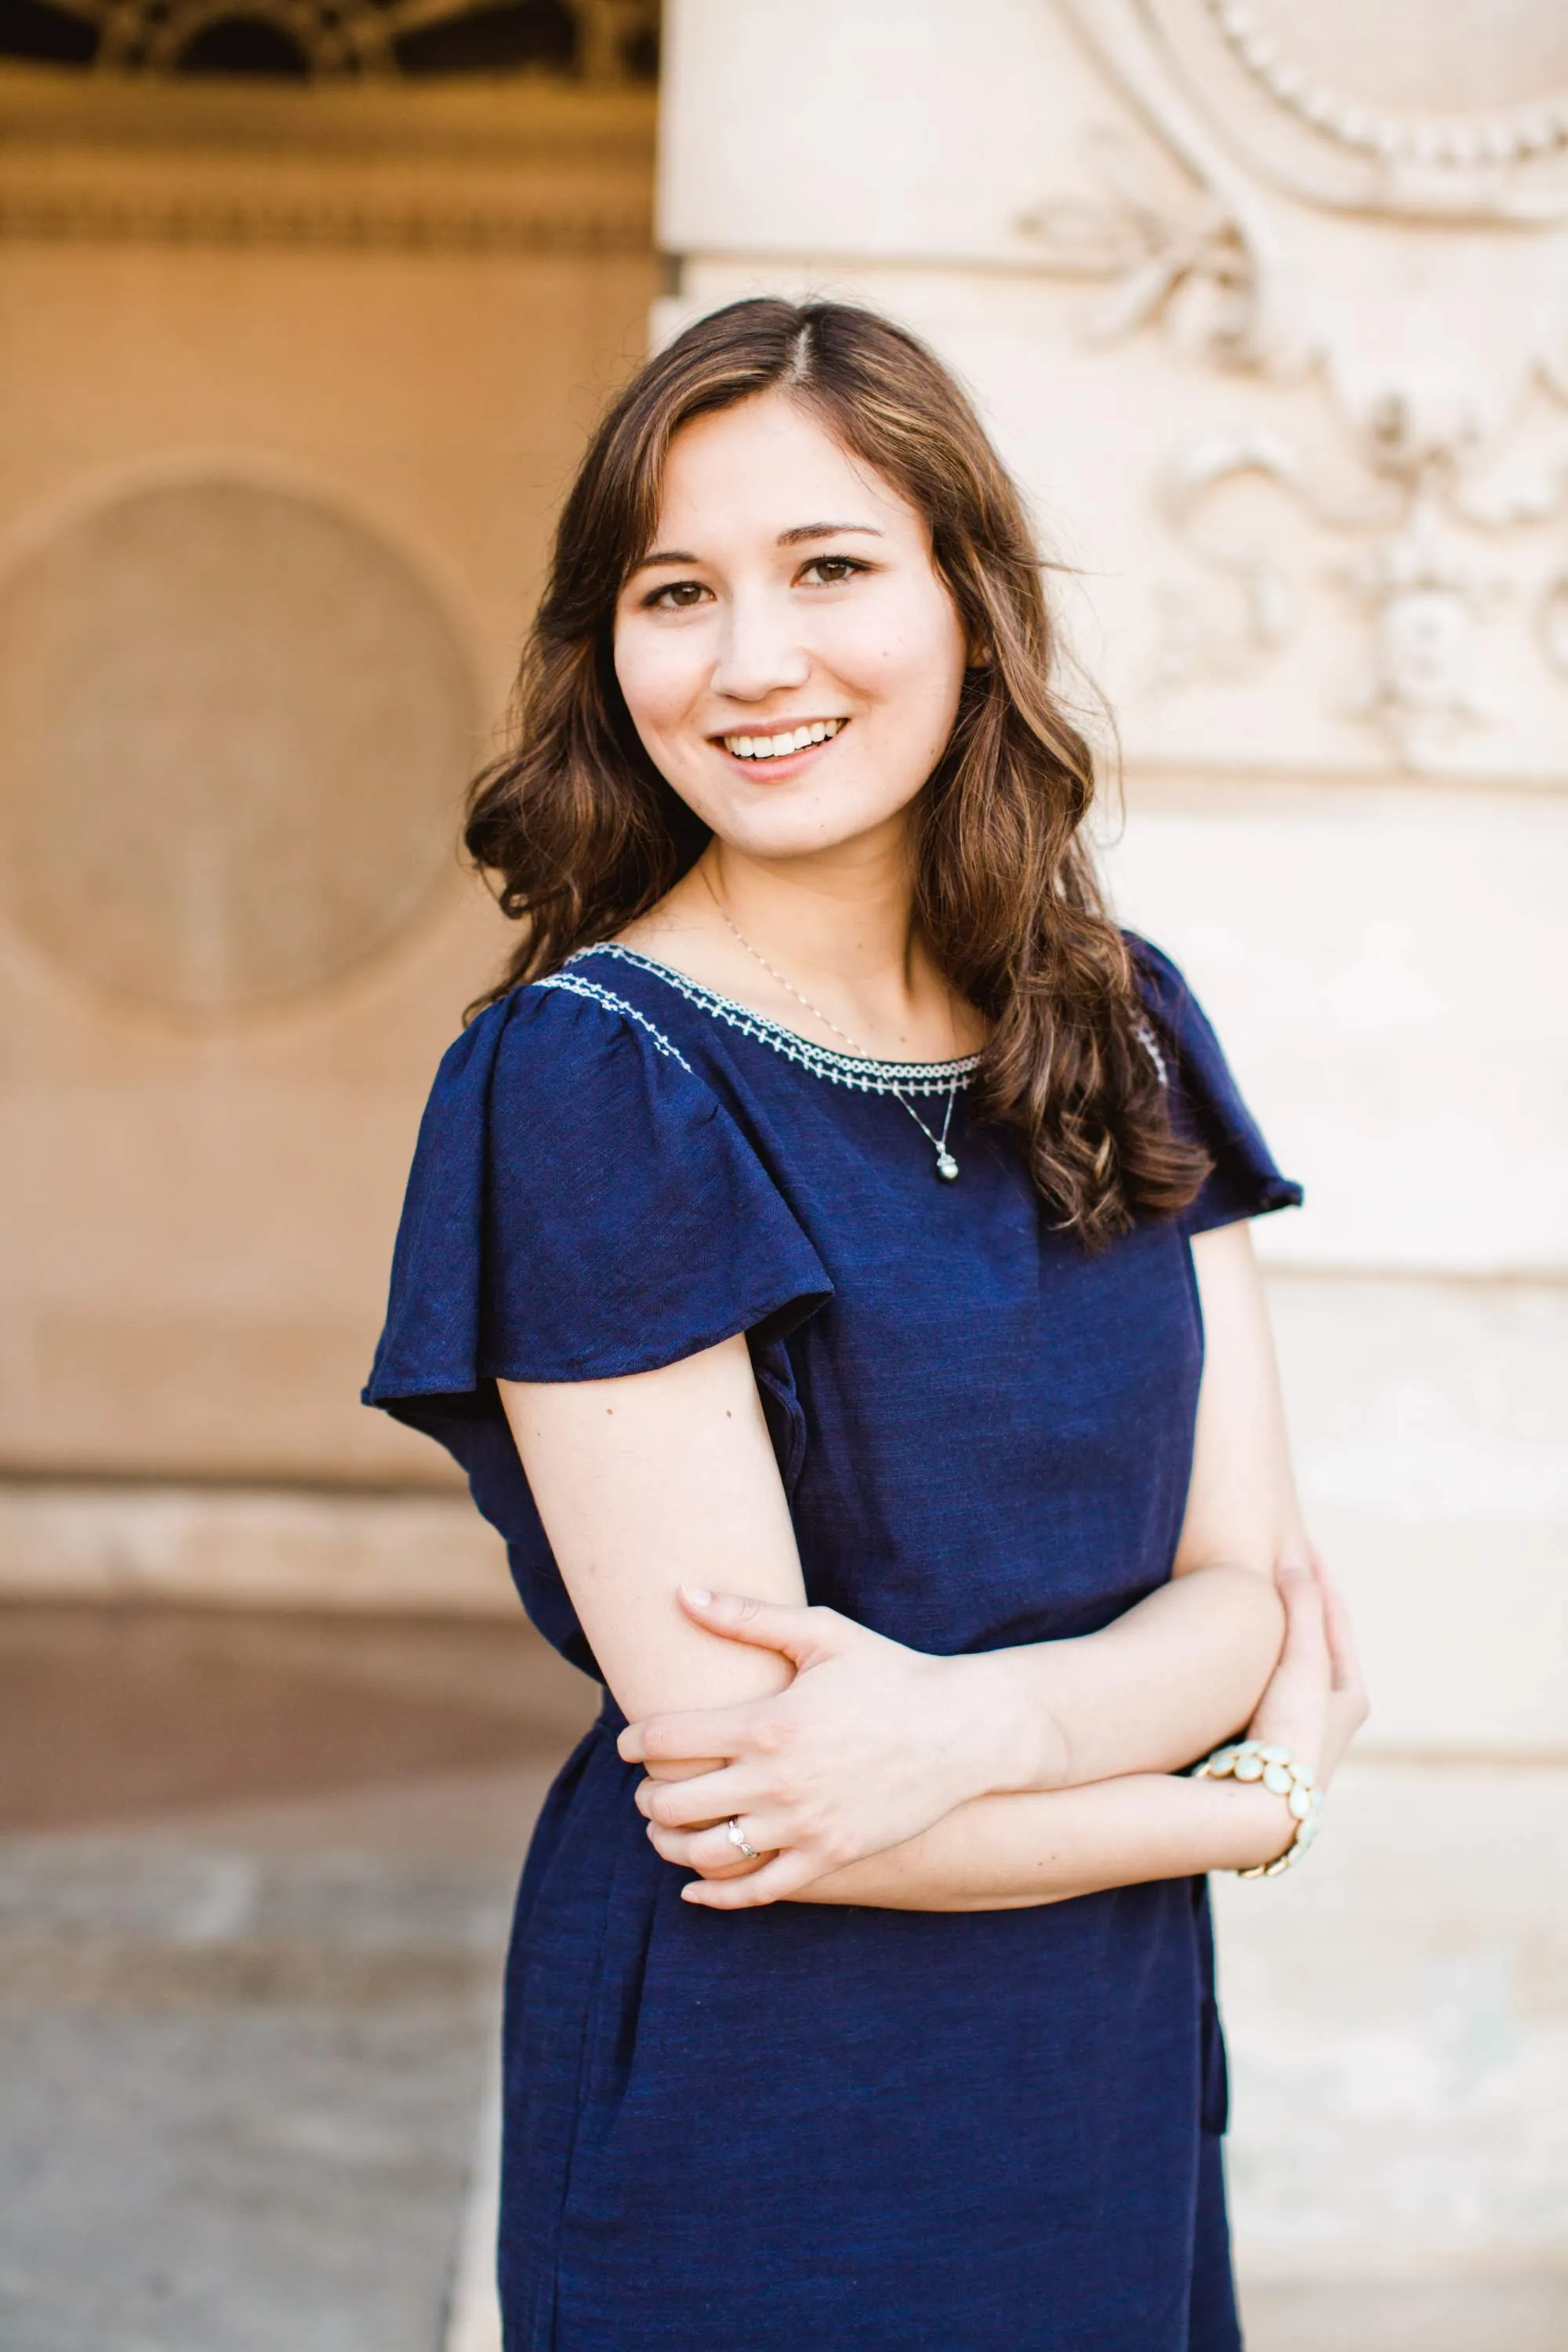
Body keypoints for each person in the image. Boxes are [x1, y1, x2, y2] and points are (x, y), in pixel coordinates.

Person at [365, 297, 1367, 2352]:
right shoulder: (594, 1081)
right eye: (676, 592)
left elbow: (1248, 1594)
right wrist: (1242, 1808)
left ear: (969, 606)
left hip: (1099, 2074)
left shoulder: (1124, 1018)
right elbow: (774, 1803)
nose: (751, 659)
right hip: (762, 2114)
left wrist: (963, 1730)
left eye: (828, 567)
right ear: (606, 649)